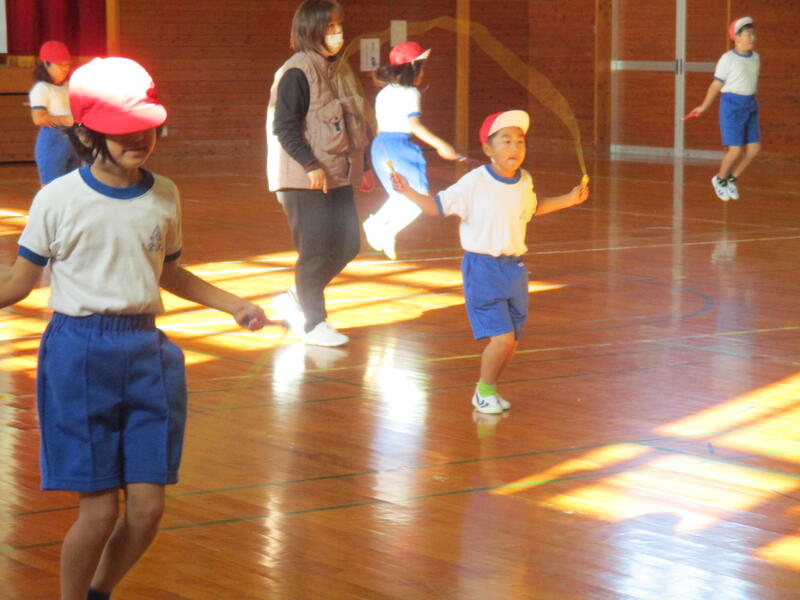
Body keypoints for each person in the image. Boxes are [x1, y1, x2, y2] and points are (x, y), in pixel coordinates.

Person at [0, 56, 268, 600]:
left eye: (145, 127)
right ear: (86, 133)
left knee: (147, 509)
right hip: (79, 355)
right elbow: (19, 283)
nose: (139, 138)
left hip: (147, 354)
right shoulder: (57, 199)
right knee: (99, 512)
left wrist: (232, 304)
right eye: (122, 130)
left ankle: (99, 592)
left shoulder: (164, 194)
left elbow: (169, 272)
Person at [389, 110, 589, 414]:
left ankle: (488, 390)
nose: (515, 147)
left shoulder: (524, 180)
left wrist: (570, 199)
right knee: (502, 339)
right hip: (482, 269)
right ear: (488, 149)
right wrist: (408, 191)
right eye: (506, 141)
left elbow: (534, 208)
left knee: (512, 341)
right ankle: (483, 392)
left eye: (520, 141)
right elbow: (436, 207)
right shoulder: (474, 182)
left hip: (515, 270)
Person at [266, 0, 371, 347]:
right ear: (311, 30)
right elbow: (284, 126)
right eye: (329, 26)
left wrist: (364, 167)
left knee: (348, 244)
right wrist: (310, 165)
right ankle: (313, 323)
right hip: (303, 178)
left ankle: (297, 297)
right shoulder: (297, 72)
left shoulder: (334, 70)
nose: (337, 33)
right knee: (315, 251)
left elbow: (352, 122)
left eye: (339, 25)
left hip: (337, 174)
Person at [362, 40, 459, 260]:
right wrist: (441, 145)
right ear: (413, 69)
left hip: (381, 147)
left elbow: (379, 130)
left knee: (404, 196)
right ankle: (382, 227)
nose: (423, 72)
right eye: (422, 68)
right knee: (418, 198)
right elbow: (415, 126)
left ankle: (379, 226)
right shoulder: (411, 93)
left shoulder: (384, 93)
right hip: (397, 147)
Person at [687, 16, 759, 201]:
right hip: (732, 106)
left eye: (753, 34)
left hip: (750, 105)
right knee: (735, 150)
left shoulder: (755, 58)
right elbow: (716, 84)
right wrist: (704, 106)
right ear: (736, 37)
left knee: (754, 150)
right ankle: (719, 179)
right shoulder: (727, 59)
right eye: (747, 34)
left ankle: (732, 179)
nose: (752, 38)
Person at [29, 40, 81, 185]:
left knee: (73, 186)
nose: (64, 69)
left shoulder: (69, 86)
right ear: (46, 64)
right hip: (53, 142)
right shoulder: (42, 88)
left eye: (67, 65)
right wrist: (67, 119)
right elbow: (38, 118)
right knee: (52, 187)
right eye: (59, 65)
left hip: (73, 141)